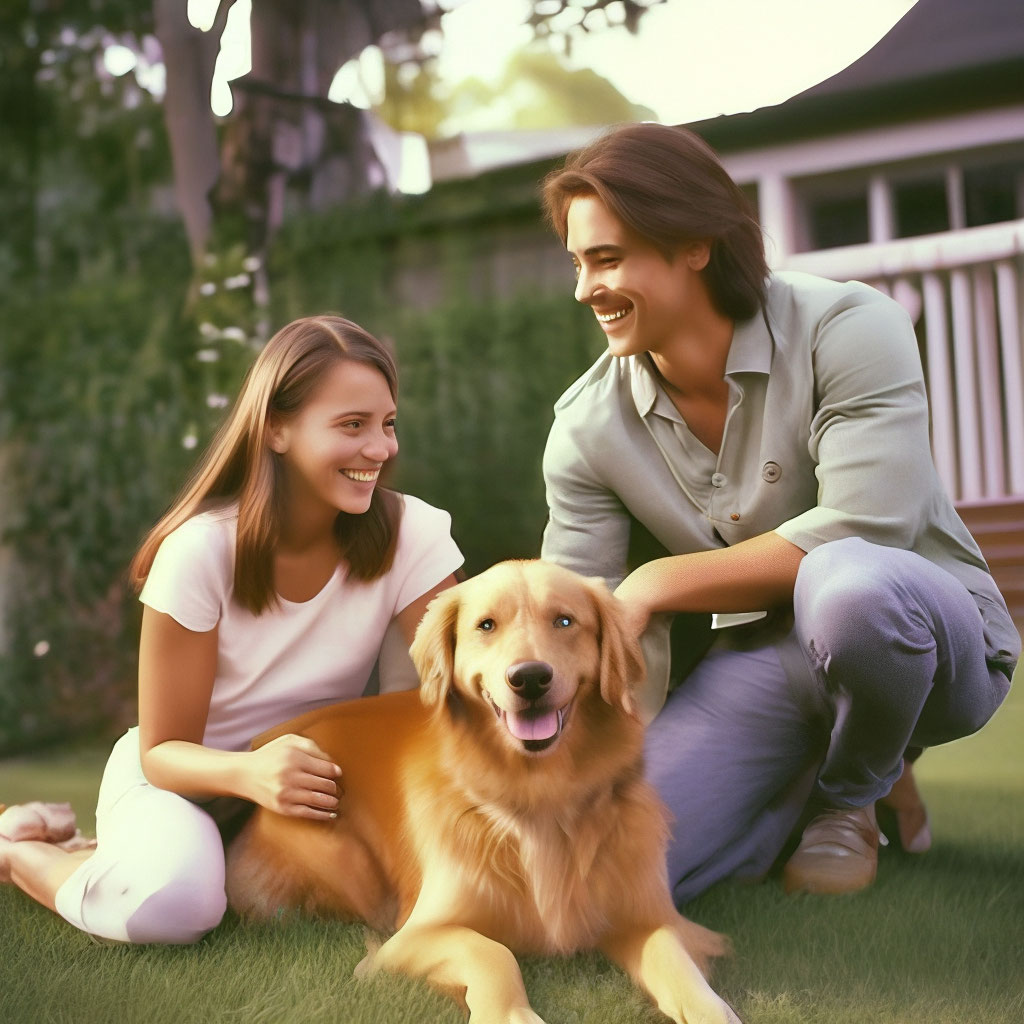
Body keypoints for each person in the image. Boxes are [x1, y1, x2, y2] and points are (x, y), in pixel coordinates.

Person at [538, 123, 1019, 901]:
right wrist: (578, 778)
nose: (584, 288)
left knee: (849, 588)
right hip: (764, 662)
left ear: (694, 243)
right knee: (595, 879)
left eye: (608, 258)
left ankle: (851, 794)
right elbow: (573, 622)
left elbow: (869, 526)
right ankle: (798, 790)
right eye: (578, 263)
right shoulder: (586, 428)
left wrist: (655, 583)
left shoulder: (849, 325)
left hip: (927, 636)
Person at [0, 314, 463, 942]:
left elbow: (434, 706)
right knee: (177, 909)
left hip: (309, 789)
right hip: (184, 781)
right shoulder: (199, 553)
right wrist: (252, 773)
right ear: (275, 427)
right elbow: (161, 752)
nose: (380, 449)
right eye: (351, 426)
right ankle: (21, 852)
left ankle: (110, 855)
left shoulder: (416, 535)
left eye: (387, 424)